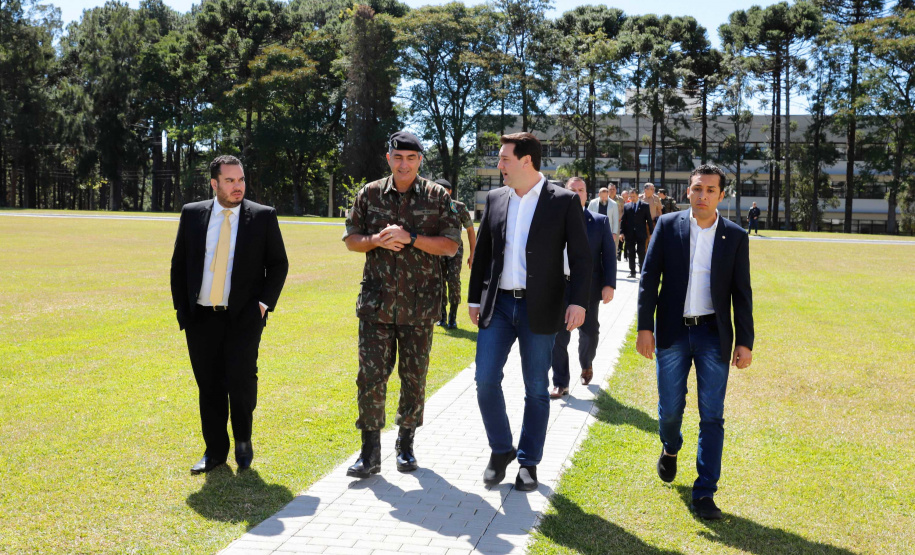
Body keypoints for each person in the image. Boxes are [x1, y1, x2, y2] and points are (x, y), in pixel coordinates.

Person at [468, 132, 592, 492]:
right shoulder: (495, 198)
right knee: (485, 380)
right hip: (500, 305)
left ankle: (528, 462)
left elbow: (582, 257)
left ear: (526, 161)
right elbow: (485, 255)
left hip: (542, 306)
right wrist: (475, 299)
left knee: (537, 387)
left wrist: (579, 301)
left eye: (505, 158)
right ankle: (501, 448)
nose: (499, 165)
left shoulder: (564, 200)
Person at [636, 164, 754, 520]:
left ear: (721, 195)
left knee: (712, 415)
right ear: (688, 191)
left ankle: (704, 493)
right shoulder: (668, 226)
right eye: (697, 189)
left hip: (712, 335)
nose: (703, 196)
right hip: (672, 331)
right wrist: (645, 327)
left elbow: (741, 292)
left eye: (710, 190)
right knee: (670, 409)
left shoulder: (734, 236)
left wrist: (745, 341)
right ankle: (670, 447)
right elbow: (648, 279)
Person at [342, 131, 461, 478]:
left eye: (411, 158)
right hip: (376, 305)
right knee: (370, 377)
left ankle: (405, 444)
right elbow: (351, 239)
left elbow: (451, 246)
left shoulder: (438, 197)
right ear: (388, 158)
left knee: (414, 379)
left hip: (420, 305)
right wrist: (375, 240)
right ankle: (369, 451)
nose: (404, 164)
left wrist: (411, 238)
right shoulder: (370, 193)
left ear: (420, 160)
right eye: (398, 158)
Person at [170, 155, 289, 474]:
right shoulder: (192, 214)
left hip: (243, 319)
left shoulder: (262, 217)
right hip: (201, 319)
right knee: (208, 387)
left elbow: (279, 264)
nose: (238, 186)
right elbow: (179, 265)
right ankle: (215, 452)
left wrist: (262, 306)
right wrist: (184, 311)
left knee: (241, 383)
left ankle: (243, 443)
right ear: (214, 183)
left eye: (241, 180)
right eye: (230, 181)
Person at [550, 178, 616, 398]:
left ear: (588, 195)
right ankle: (560, 382)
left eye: (581, 190)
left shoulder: (599, 222)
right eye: (572, 190)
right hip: (559, 286)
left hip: (587, 287)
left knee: (589, 333)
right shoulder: (554, 219)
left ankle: (586, 363)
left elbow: (608, 255)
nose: (577, 194)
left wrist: (609, 284)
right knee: (559, 336)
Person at [435, 178, 476, 329]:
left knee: (453, 280)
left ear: (450, 191)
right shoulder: (432, 207)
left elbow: (471, 231)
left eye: (443, 190)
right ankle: (442, 316)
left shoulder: (459, 207)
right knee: (439, 282)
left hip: (455, 250)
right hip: (437, 249)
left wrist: (473, 254)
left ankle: (453, 317)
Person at [620, 186, 655, 278]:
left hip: (641, 233)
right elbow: (623, 220)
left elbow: (649, 220)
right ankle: (632, 272)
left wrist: (652, 233)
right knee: (630, 252)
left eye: (633, 196)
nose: (632, 198)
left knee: (641, 252)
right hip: (629, 234)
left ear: (638, 196)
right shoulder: (627, 206)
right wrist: (621, 232)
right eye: (630, 197)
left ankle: (642, 271)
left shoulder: (644, 206)